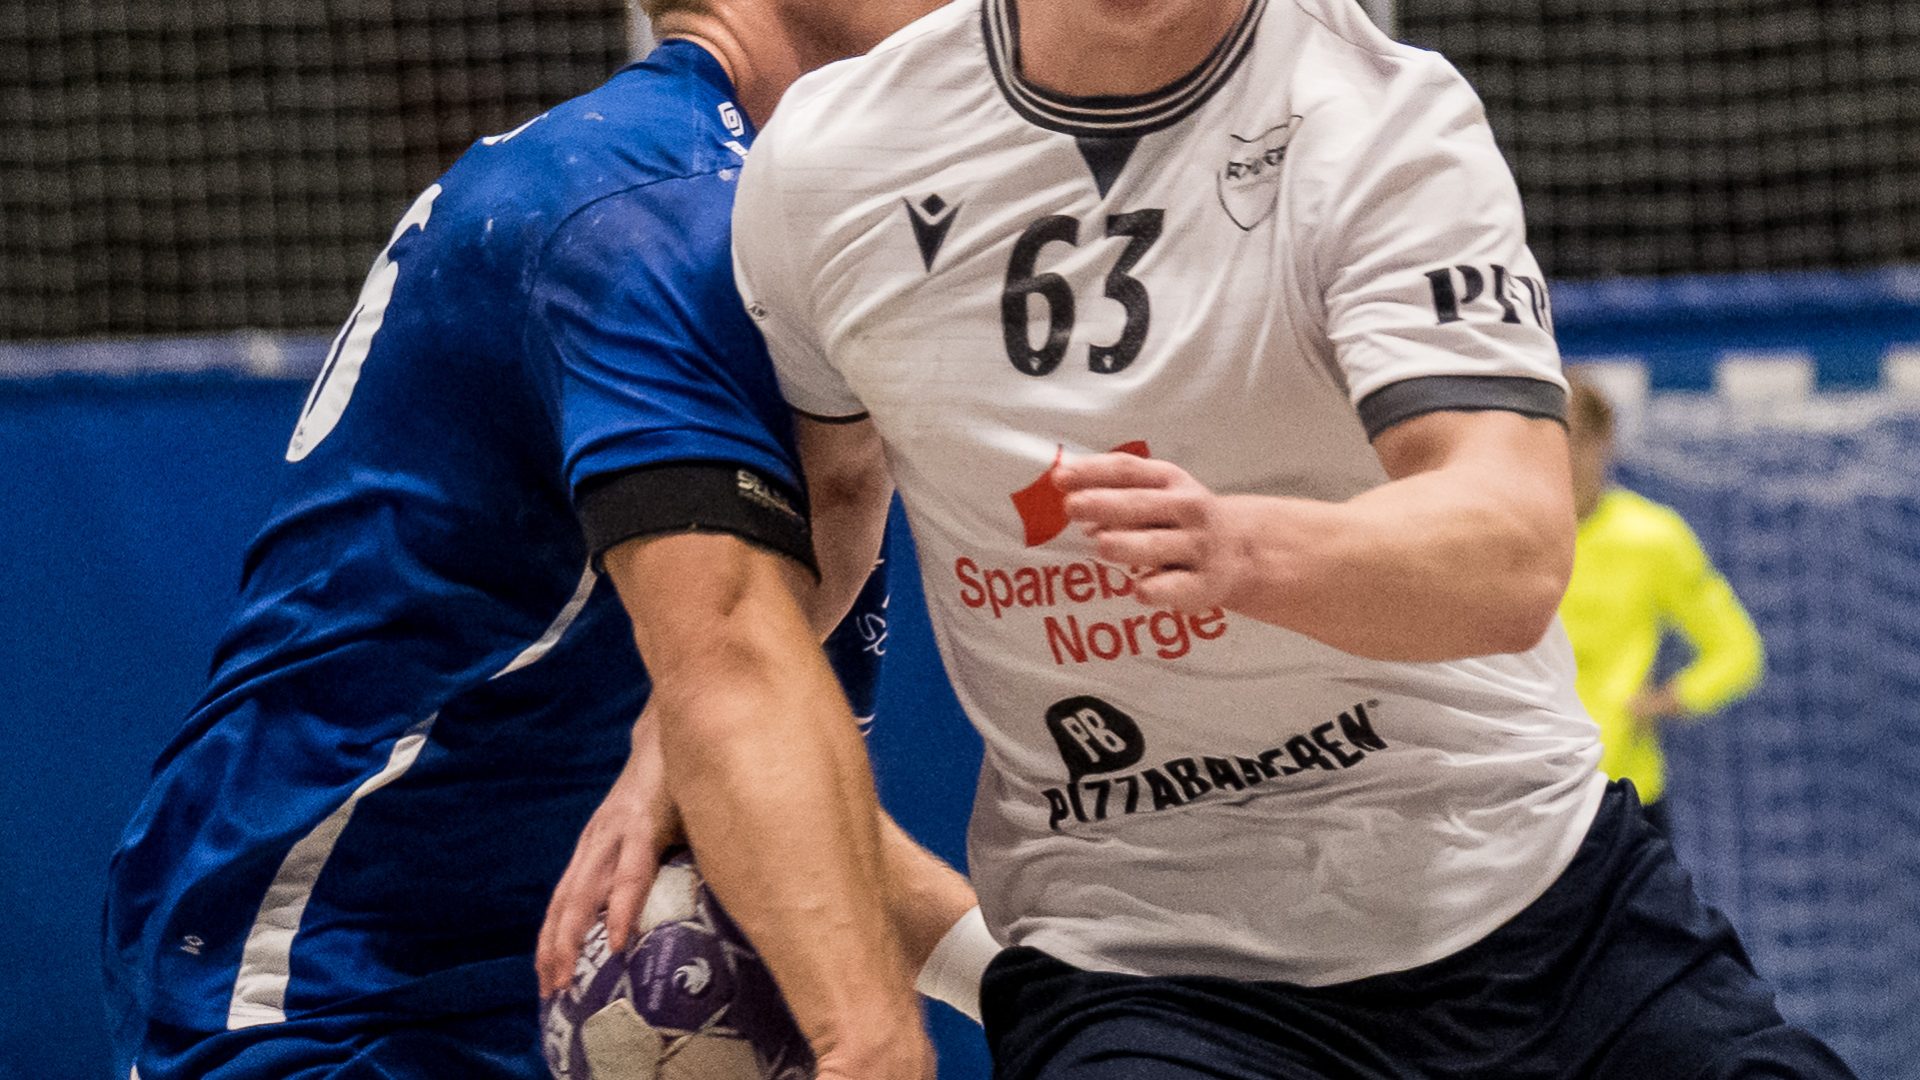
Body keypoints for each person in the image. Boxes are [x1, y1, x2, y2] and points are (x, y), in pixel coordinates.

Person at [708, 0, 1858, 1076]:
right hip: (1144, 962)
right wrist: (690, 718)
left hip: (1532, 902)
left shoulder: (1383, 120)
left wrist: (1248, 552)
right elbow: (825, 509)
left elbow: (1511, 549)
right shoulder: (831, 162)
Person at [100, 3, 982, 1078]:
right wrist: (871, 1039)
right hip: (339, 981)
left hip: (513, 950)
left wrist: (1024, 987)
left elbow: (745, 772)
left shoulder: (759, 215)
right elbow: (731, 679)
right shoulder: (652, 205)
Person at [1559, 373, 1766, 836]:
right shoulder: (1508, 540)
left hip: (1626, 794)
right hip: (1528, 795)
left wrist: (1666, 701)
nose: (1565, 458)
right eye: (1551, 442)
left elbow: (1737, 650)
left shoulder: (1652, 538)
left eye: (1577, 440)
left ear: (1604, 441)